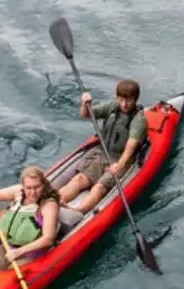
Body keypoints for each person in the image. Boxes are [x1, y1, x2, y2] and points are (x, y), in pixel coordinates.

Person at [56, 78, 146, 216]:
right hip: (103, 153)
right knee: (79, 179)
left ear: (136, 99)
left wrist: (120, 164)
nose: (124, 104)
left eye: (129, 100)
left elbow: (131, 144)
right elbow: (86, 114)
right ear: (117, 98)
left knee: (99, 187)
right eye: (121, 100)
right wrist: (85, 104)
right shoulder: (112, 107)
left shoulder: (139, 119)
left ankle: (76, 212)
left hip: (121, 160)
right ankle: (53, 202)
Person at [0, 164, 61, 272]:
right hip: (8, 247)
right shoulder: (18, 192)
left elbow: (47, 239)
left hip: (31, 254)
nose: (33, 192)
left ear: (43, 185)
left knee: (9, 275)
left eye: (37, 187)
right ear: (23, 186)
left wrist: (19, 252)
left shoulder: (49, 206)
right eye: (28, 188)